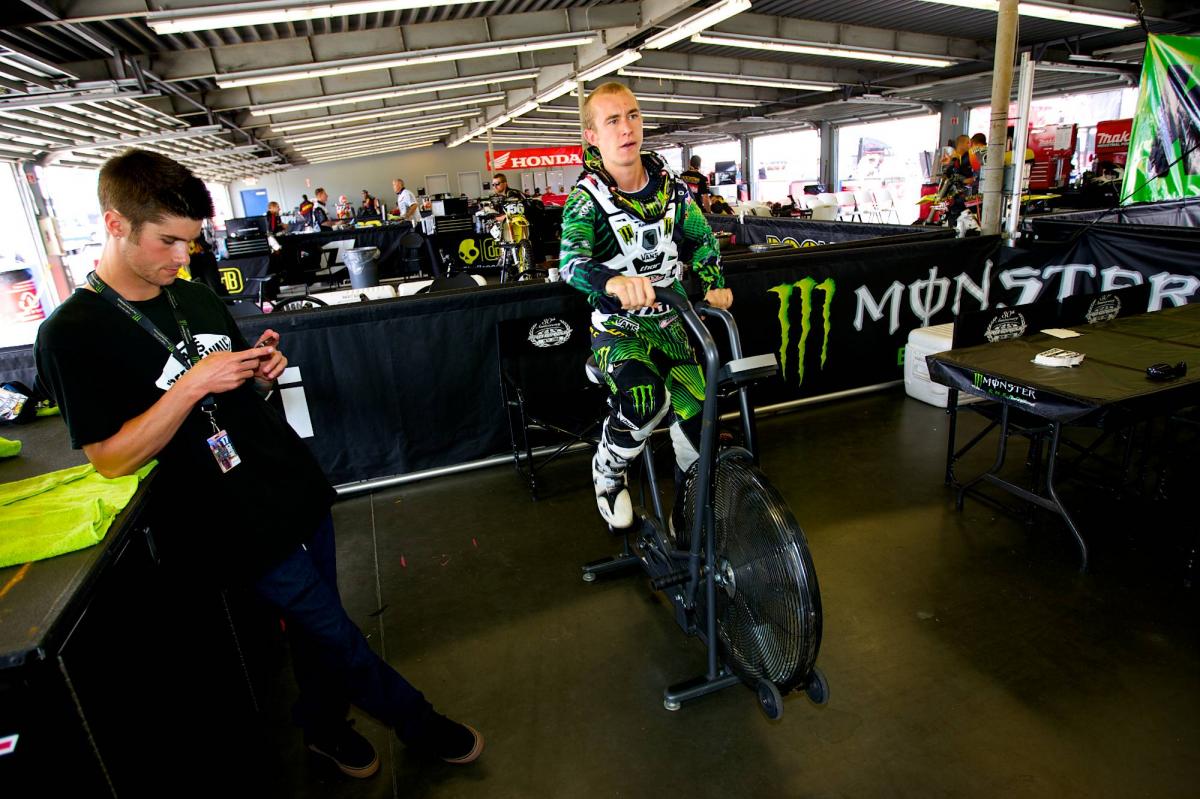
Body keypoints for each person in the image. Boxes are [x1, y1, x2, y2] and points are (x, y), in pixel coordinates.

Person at [33, 149, 483, 782]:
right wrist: (189, 386)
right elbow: (111, 458)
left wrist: (259, 371)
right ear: (115, 224)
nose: (180, 257)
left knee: (315, 632)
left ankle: (324, 730)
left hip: (287, 481)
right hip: (226, 516)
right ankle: (419, 722)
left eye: (190, 243)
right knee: (334, 630)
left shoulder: (191, 296)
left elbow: (234, 381)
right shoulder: (73, 334)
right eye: (167, 241)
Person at [559, 82, 732, 530]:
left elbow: (702, 241)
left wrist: (713, 282)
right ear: (593, 136)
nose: (626, 128)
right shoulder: (586, 199)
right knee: (645, 401)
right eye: (612, 120)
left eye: (632, 115)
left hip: (671, 323)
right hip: (618, 329)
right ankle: (608, 472)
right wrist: (612, 280)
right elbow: (570, 262)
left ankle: (686, 512)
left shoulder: (672, 189)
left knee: (698, 419)